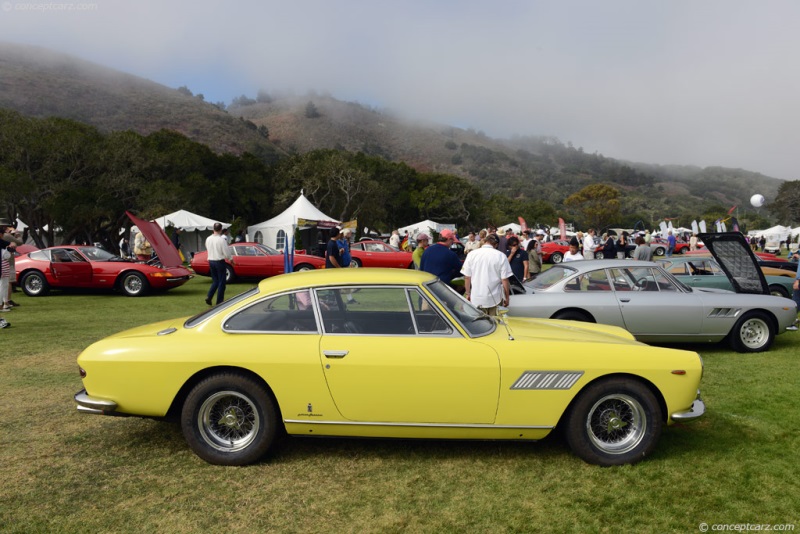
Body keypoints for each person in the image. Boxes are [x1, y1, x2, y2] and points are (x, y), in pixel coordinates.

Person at [461, 233, 513, 316]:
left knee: (479, 325)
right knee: (495, 325)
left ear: (485, 241)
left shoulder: (471, 255)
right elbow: (504, 279)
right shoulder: (501, 256)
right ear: (496, 245)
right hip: (495, 298)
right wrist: (507, 297)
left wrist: (467, 293)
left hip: (476, 298)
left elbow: (467, 277)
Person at [205, 222, 233, 306]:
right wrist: (231, 259)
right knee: (222, 282)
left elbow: (207, 248)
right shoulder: (221, 240)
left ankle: (209, 296)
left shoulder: (208, 239)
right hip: (219, 261)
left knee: (215, 281)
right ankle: (219, 302)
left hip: (211, 261)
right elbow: (226, 252)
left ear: (213, 229)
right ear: (221, 230)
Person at [1, 219, 22, 305]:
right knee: (7, 282)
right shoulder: (6, 236)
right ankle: (7, 301)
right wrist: (17, 235)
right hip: (6, 262)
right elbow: (19, 242)